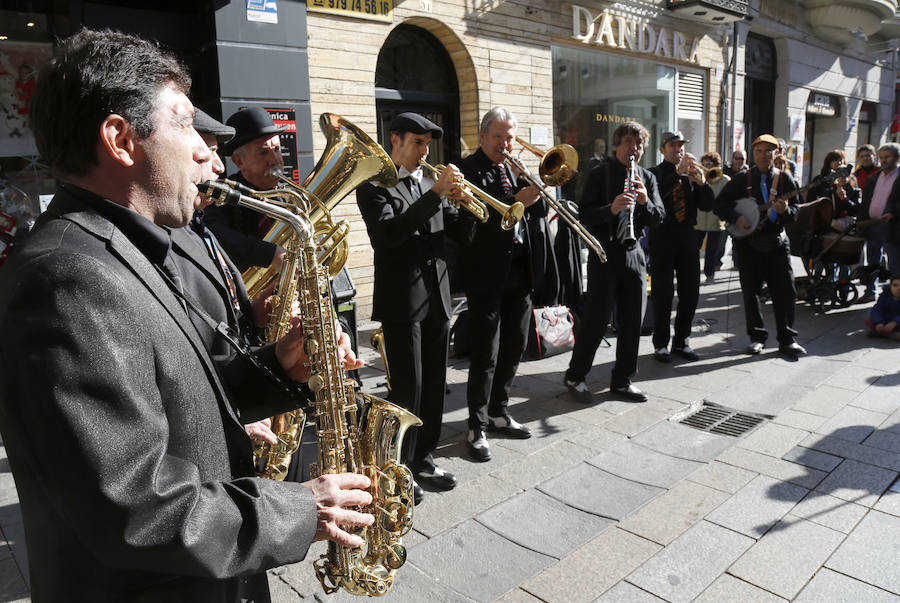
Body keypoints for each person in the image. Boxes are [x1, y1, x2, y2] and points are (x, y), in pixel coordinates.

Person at [0, 29, 373, 601]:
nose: (206, 151)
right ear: (121, 140)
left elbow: (180, 393)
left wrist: (279, 367)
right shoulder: (66, 279)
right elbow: (132, 504)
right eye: (183, 124)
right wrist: (299, 509)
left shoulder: (132, 247)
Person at [356, 112, 473, 500]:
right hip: (403, 302)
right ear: (396, 140)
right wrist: (436, 195)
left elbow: (457, 238)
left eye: (427, 144)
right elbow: (390, 236)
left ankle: (424, 459)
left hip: (438, 298)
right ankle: (397, 469)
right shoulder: (374, 186)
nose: (424, 151)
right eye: (417, 142)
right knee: (408, 389)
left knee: (436, 387)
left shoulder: (427, 184)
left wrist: (462, 203)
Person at [457, 107, 544, 462]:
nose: (505, 144)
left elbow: (529, 217)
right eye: (499, 137)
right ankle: (476, 424)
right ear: (482, 136)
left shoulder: (512, 168)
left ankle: (499, 410)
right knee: (485, 353)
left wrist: (535, 197)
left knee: (514, 346)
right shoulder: (467, 170)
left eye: (510, 137)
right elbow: (472, 223)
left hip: (520, 272)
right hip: (487, 274)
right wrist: (515, 201)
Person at [564, 121, 664, 403]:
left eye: (639, 144)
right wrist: (612, 208)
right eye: (629, 143)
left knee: (633, 320)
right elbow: (584, 214)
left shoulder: (648, 177)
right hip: (604, 253)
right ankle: (575, 375)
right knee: (597, 320)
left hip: (634, 256)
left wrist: (645, 201)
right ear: (617, 145)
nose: (634, 149)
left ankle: (622, 380)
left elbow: (659, 216)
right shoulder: (600, 173)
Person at [715, 134, 805, 357]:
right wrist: (737, 218)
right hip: (748, 245)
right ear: (753, 154)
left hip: (776, 242)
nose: (763, 156)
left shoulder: (785, 180)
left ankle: (787, 340)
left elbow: (796, 212)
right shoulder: (741, 179)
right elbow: (720, 205)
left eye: (768, 151)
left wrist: (785, 212)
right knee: (751, 292)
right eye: (759, 151)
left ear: (777, 154)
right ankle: (757, 338)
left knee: (784, 291)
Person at [648, 132, 714, 362]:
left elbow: (707, 206)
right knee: (663, 295)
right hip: (662, 238)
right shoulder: (653, 174)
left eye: (681, 146)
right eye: (673, 146)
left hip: (687, 237)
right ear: (662, 149)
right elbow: (655, 201)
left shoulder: (690, 176)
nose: (678, 150)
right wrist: (676, 174)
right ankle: (660, 344)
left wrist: (702, 184)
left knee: (690, 293)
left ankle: (681, 341)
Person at [203, 106, 287, 271]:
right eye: (263, 153)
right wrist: (269, 254)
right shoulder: (222, 194)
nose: (274, 160)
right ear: (239, 162)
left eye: (277, 149)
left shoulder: (290, 196)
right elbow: (214, 233)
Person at [858, 143, 900, 303]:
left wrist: (894, 212)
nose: (884, 160)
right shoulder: (874, 178)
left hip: (893, 227)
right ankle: (870, 292)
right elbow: (866, 202)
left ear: (897, 158)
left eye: (887, 157)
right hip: (872, 225)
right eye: (882, 157)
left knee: (895, 265)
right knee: (873, 262)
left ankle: (895, 299)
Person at [695, 151, 731, 284]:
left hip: (716, 222)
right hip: (698, 221)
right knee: (694, 250)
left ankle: (710, 275)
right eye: (703, 164)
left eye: (708, 164)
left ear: (716, 164)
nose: (705, 166)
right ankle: (693, 274)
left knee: (711, 251)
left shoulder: (725, 180)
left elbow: (727, 200)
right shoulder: (699, 178)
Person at [865, 273, 900, 340]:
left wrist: (895, 322)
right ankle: (885, 332)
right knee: (869, 320)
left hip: (897, 322)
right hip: (886, 321)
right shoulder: (885, 296)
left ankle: (886, 334)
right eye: (895, 285)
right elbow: (877, 310)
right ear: (890, 286)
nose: (898, 289)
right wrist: (879, 322)